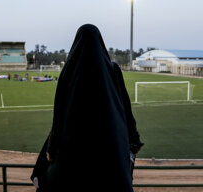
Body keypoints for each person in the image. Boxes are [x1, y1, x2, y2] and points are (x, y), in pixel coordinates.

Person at [31, 24, 140, 192]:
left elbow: (58, 115)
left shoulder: (68, 72)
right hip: (109, 147)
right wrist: (133, 139)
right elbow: (125, 108)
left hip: (72, 148)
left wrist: (51, 149)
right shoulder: (113, 71)